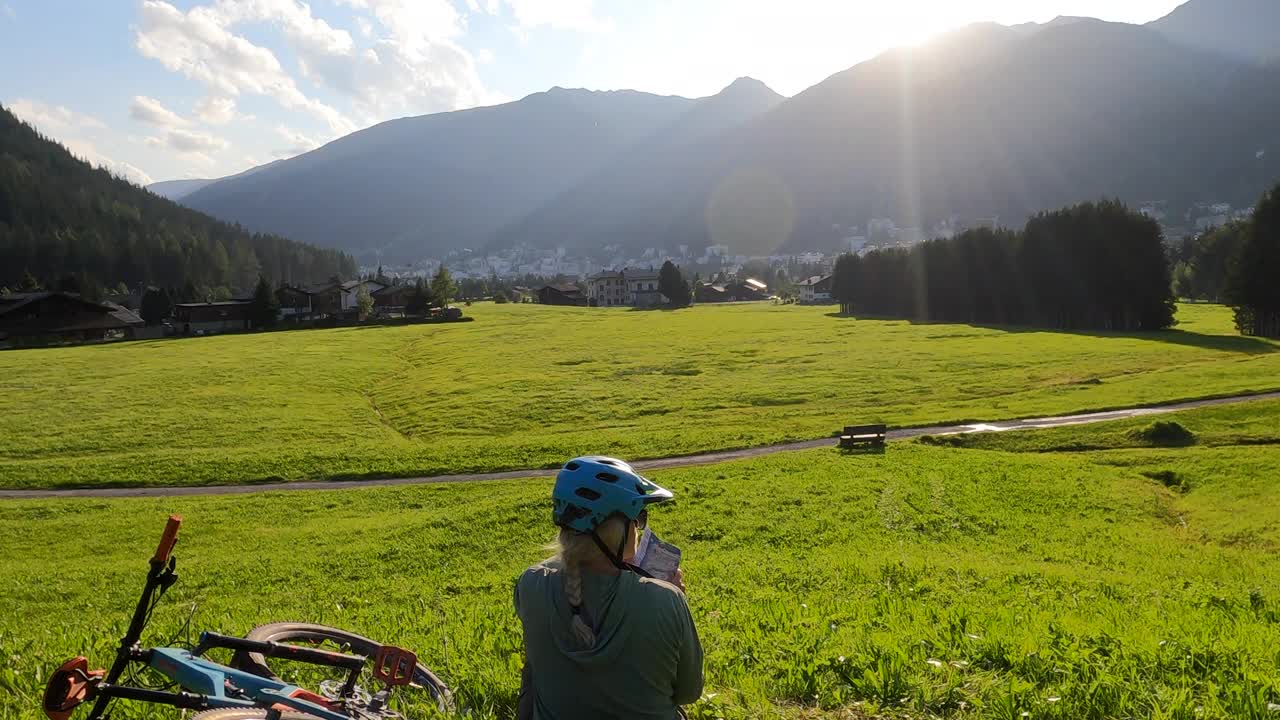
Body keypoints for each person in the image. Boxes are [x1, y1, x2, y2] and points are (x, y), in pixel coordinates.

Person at [514, 456, 703, 720]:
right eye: (639, 518)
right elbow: (689, 692)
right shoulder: (665, 600)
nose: (640, 528)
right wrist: (668, 597)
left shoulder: (530, 583)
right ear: (615, 530)